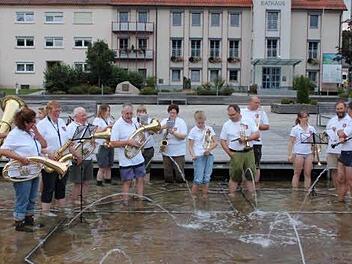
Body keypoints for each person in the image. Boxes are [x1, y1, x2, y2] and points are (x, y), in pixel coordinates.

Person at [0, 107, 47, 232]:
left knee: (32, 197)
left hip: (33, 171)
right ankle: (19, 222)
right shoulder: (14, 134)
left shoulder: (31, 132)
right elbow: (3, 150)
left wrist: (36, 132)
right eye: (32, 121)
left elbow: (44, 145)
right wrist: (20, 158)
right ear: (25, 122)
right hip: (21, 172)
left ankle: (29, 219)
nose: (34, 123)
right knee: (23, 197)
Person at [37, 101, 70, 216]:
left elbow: (67, 140)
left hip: (63, 160)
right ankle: (45, 212)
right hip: (49, 161)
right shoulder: (42, 124)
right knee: (48, 187)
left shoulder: (61, 122)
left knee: (61, 187)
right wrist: (48, 153)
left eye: (59, 110)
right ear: (49, 110)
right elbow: (36, 144)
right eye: (56, 110)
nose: (58, 113)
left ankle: (61, 210)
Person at [220, 104, 259, 196]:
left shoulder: (248, 120)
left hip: (248, 151)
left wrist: (247, 139)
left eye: (233, 115)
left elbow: (257, 134)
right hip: (235, 152)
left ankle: (252, 195)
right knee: (235, 175)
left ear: (238, 112)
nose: (231, 117)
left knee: (250, 175)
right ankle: (232, 195)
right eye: (229, 115)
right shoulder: (227, 124)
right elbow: (222, 140)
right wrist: (229, 153)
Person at [109, 103, 146, 202]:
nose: (129, 116)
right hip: (126, 159)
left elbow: (140, 135)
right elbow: (112, 143)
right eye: (127, 114)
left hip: (138, 157)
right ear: (122, 113)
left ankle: (140, 201)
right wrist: (127, 142)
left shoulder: (134, 122)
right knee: (127, 182)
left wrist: (141, 140)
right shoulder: (117, 125)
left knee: (140, 179)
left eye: (130, 113)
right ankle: (125, 204)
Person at [66, 107, 93, 205]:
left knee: (87, 181)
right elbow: (69, 145)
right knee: (77, 182)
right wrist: (77, 156)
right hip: (77, 158)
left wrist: (93, 143)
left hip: (88, 156)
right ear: (76, 116)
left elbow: (90, 140)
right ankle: (74, 200)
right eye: (83, 115)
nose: (85, 117)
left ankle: (83, 199)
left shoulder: (87, 126)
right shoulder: (71, 127)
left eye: (85, 115)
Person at [188, 111, 217, 197]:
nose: (201, 124)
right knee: (198, 179)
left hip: (209, 155)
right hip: (198, 156)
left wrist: (209, 149)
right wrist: (193, 155)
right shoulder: (193, 131)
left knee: (207, 178)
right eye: (199, 123)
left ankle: (205, 196)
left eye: (202, 122)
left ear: (205, 120)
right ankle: (193, 197)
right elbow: (190, 146)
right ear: (195, 121)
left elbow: (215, 142)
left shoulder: (209, 129)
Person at [241, 96, 269, 183]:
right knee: (244, 163)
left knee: (256, 164)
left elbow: (267, 126)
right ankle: (244, 183)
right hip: (244, 142)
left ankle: (255, 184)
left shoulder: (261, 113)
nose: (258, 105)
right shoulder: (242, 111)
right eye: (256, 102)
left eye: (259, 103)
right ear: (250, 102)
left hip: (257, 142)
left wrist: (256, 126)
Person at [288, 111, 316, 189]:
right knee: (297, 173)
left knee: (307, 173)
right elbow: (291, 142)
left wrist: (314, 153)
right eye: (304, 117)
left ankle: (307, 190)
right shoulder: (295, 129)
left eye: (307, 117)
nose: (306, 118)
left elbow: (314, 142)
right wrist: (290, 154)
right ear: (300, 118)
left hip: (309, 153)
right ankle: (295, 191)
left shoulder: (311, 128)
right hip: (298, 153)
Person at [160, 104, 188, 183]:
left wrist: (173, 132)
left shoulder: (181, 122)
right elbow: (157, 131)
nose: (172, 114)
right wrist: (163, 127)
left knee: (180, 174)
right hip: (166, 150)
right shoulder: (164, 121)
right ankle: (168, 190)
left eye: (174, 113)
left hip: (178, 151)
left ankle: (180, 189)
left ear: (177, 113)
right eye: (170, 112)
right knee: (167, 174)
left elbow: (183, 136)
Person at [325, 100, 350, 189]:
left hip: (344, 150)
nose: (339, 110)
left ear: (346, 108)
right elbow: (327, 132)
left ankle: (345, 192)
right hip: (331, 150)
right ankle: (338, 191)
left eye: (341, 108)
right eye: (338, 109)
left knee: (343, 173)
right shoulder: (332, 120)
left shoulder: (349, 120)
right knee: (334, 171)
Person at [93, 104, 115, 186]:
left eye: (109, 111)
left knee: (109, 165)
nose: (108, 113)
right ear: (102, 111)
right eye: (107, 111)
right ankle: (99, 183)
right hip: (101, 145)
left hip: (109, 143)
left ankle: (108, 181)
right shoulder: (97, 120)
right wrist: (107, 127)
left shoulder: (109, 119)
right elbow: (96, 131)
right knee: (102, 166)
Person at [336, 101, 352, 202]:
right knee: (340, 179)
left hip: (351, 153)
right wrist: (340, 132)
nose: (348, 111)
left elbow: (342, 134)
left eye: (349, 109)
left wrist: (340, 132)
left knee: (350, 181)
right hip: (344, 152)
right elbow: (340, 133)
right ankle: (340, 203)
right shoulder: (349, 121)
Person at [135, 105, 155, 184]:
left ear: (145, 113)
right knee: (137, 166)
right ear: (137, 113)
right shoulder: (133, 121)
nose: (141, 113)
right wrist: (139, 128)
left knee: (147, 167)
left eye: (143, 112)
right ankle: (137, 183)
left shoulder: (150, 121)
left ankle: (147, 183)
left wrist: (146, 127)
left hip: (148, 146)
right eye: (139, 112)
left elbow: (153, 132)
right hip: (137, 147)